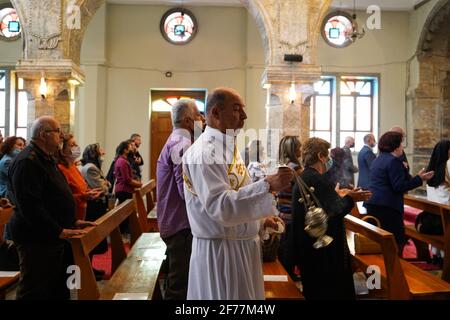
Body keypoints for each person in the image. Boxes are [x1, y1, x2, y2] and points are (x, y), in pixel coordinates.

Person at [182, 87, 293, 300]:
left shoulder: (226, 146)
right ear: (215, 113)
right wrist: (267, 185)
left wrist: (260, 221)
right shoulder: (205, 152)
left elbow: (238, 191)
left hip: (239, 247)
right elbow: (219, 206)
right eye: (236, 109)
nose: (244, 115)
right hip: (222, 253)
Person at [7, 116, 95, 300]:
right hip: (36, 238)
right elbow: (30, 207)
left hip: (52, 235)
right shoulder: (28, 161)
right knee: (35, 289)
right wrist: (58, 230)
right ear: (43, 134)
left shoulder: (45, 158)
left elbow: (54, 197)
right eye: (57, 132)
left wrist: (71, 222)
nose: (61, 136)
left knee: (55, 288)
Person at [291, 137, 372, 300]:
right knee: (330, 292)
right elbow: (335, 210)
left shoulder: (303, 176)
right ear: (320, 156)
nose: (329, 159)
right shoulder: (317, 179)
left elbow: (323, 205)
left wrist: (341, 195)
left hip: (309, 248)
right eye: (326, 155)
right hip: (325, 255)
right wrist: (351, 199)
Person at [156, 99, 202, 300]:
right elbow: (186, 191)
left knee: (181, 280)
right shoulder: (182, 144)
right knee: (179, 286)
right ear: (189, 121)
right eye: (199, 115)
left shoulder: (177, 140)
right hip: (180, 225)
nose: (203, 119)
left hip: (174, 222)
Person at [364, 131, 434, 250]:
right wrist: (419, 179)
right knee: (394, 242)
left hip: (374, 203)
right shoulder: (393, 161)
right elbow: (399, 186)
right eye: (401, 143)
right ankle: (392, 267)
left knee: (379, 241)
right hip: (387, 207)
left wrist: (413, 175)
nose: (402, 146)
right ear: (395, 146)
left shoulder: (379, 159)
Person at [80, 143, 111, 279]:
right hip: (94, 206)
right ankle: (88, 271)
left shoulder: (93, 167)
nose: (103, 153)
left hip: (97, 204)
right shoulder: (91, 168)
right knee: (91, 239)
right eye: (100, 151)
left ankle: (90, 269)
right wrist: (105, 185)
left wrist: (106, 184)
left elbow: (107, 184)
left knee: (94, 240)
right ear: (94, 153)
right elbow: (102, 187)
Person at [57, 134, 103, 221]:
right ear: (62, 151)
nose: (77, 147)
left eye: (76, 144)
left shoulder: (73, 166)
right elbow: (62, 198)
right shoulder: (61, 169)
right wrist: (83, 196)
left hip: (81, 213)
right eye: (72, 145)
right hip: (70, 216)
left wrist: (89, 192)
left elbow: (81, 188)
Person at [425, 139, 450, 263]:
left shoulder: (431, 167)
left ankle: (436, 255)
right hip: (446, 210)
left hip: (433, 213)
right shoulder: (447, 165)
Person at [0, 136, 26, 240]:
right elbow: (18, 177)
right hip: (6, 193)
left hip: (11, 192)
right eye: (19, 145)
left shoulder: (13, 159)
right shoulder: (7, 161)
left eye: (23, 146)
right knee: (9, 221)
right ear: (10, 146)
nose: (22, 148)